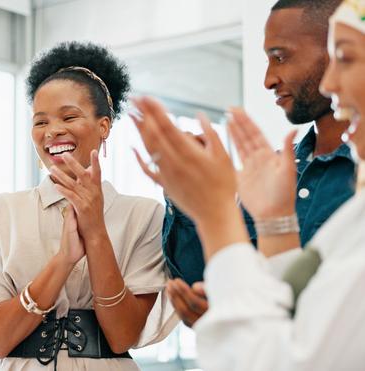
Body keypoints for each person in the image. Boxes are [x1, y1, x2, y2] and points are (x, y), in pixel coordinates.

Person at [130, 1, 365, 369]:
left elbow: (291, 356)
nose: (268, 79)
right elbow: (222, 283)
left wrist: (216, 214)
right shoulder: (276, 170)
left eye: (281, 57)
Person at [0, 42, 176, 370]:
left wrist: (96, 232)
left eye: (69, 116)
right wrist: (63, 261)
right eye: (40, 122)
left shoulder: (144, 216)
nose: (53, 130)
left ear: (104, 126)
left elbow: (121, 336)